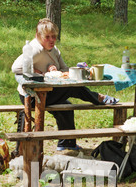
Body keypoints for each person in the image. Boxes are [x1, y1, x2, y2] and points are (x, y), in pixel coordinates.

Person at [11, 18, 119, 151]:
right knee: (71, 88)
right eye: (47, 37)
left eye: (54, 37)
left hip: (48, 92)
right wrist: (37, 72)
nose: (51, 40)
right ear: (38, 37)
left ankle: (66, 144)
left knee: (66, 108)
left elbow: (65, 69)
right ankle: (98, 98)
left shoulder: (54, 50)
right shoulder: (35, 50)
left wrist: (55, 70)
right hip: (32, 97)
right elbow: (15, 68)